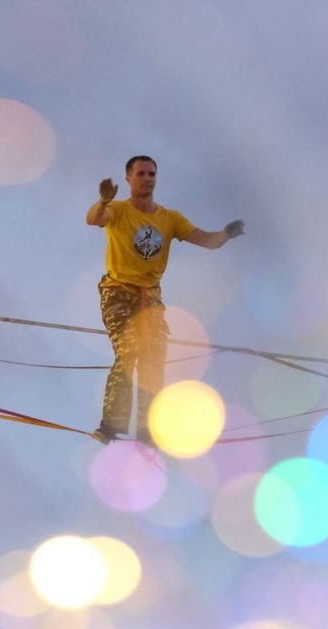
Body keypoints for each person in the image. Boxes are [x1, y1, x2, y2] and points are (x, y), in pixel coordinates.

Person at [86, 155, 244, 444]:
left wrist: (226, 234)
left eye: (151, 174)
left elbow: (205, 240)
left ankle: (147, 430)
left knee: (154, 359)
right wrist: (104, 201)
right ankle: (110, 425)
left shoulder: (170, 219)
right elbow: (94, 218)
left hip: (151, 297)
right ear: (129, 179)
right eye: (141, 174)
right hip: (118, 292)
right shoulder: (118, 210)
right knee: (130, 350)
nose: (147, 178)